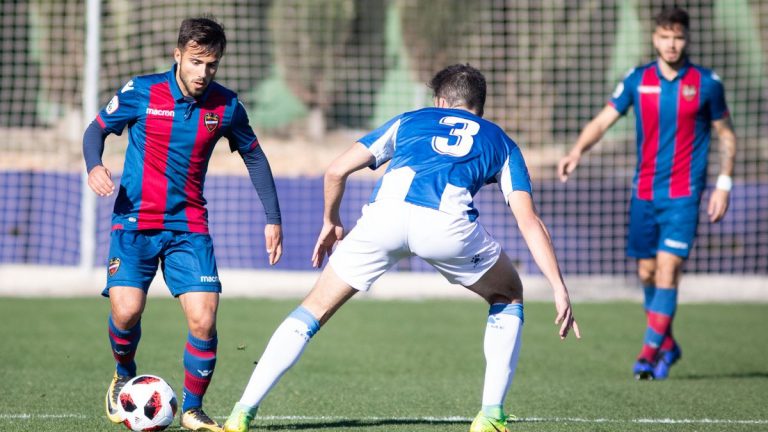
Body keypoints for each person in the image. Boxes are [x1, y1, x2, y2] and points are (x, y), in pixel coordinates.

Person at [222, 64, 580, 432]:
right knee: (508, 293)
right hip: (447, 226)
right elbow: (528, 219)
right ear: (480, 107)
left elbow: (335, 171)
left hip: (384, 219)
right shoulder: (501, 141)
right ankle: (490, 416)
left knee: (312, 310)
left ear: (440, 101)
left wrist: (331, 222)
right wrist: (557, 285)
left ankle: (241, 413)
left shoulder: (410, 119)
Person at [83, 17, 283, 431]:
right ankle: (123, 375)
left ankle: (192, 408)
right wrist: (94, 165)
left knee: (204, 318)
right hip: (134, 221)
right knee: (126, 312)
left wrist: (273, 218)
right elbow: (95, 131)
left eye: (212, 65)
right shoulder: (142, 91)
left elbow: (255, 157)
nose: (203, 73)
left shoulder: (226, 106)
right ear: (178, 56)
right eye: (195, 62)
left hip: (189, 226)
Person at [557, 7, 736, 380]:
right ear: (654, 38)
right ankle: (668, 344)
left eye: (679, 37)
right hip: (643, 193)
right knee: (648, 271)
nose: (672, 44)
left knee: (669, 269)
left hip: (684, 195)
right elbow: (604, 120)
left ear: (687, 39)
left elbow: (726, 136)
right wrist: (577, 151)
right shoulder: (638, 80)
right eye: (665, 36)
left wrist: (724, 183)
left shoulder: (706, 83)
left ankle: (648, 353)